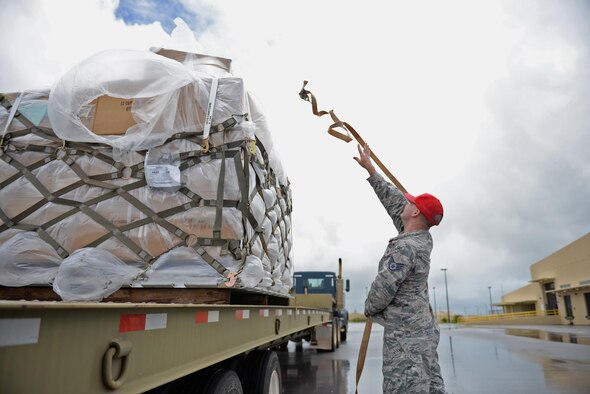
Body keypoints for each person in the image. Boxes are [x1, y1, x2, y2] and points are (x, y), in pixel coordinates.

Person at [353, 143, 447, 394]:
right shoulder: (418, 236)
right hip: (421, 334)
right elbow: (395, 202)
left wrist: (369, 307)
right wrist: (371, 170)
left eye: (411, 202)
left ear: (415, 212)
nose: (404, 203)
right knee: (432, 387)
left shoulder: (406, 248)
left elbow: (384, 287)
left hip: (407, 341)